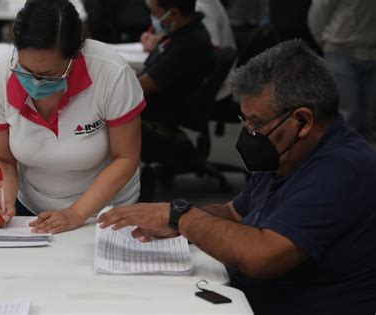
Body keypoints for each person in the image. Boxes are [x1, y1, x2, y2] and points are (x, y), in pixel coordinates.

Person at [97, 40, 376, 314]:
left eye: (255, 123)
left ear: (302, 121)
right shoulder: (288, 155)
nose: (248, 133)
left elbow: (262, 256)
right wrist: (178, 226)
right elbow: (235, 213)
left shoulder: (342, 170)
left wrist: (180, 216)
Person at [0, 0, 145, 234]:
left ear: (75, 55)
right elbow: (1, 159)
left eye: (49, 75)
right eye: (27, 71)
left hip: (108, 214)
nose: (36, 82)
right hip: (33, 210)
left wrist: (76, 213)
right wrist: (4, 202)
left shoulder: (111, 73)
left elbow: (126, 157)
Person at [138, 0, 215, 166]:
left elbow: (142, 87)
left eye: (155, 12)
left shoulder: (187, 45)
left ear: (174, 14)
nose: (152, 17)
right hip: (164, 108)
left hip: (155, 115)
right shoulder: (186, 33)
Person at [308, 0, 376, 140]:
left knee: (367, 118)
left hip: (371, 53)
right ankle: (344, 154)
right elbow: (318, 13)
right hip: (340, 50)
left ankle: (364, 155)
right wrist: (326, 41)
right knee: (347, 114)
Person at [141, 0, 235, 52]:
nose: (153, 15)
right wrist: (160, 41)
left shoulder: (201, 6)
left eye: (155, 12)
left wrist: (161, 45)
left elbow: (213, 48)